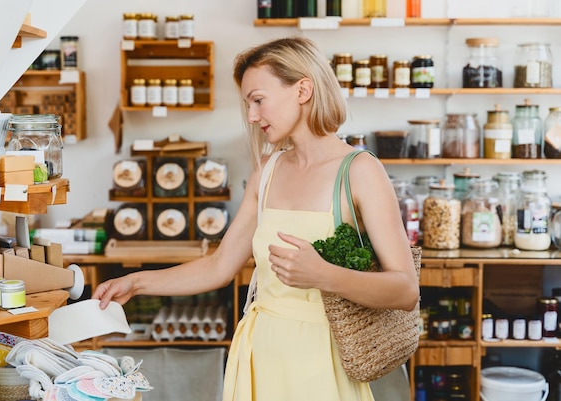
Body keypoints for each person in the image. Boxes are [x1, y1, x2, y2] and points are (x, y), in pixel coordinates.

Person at [92, 36, 419, 401]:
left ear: (303, 90)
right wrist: (136, 284)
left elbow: (405, 290)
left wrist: (324, 274)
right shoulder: (268, 170)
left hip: (323, 361)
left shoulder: (359, 171)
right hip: (260, 351)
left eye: (258, 100)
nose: (251, 116)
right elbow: (218, 267)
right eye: (248, 104)